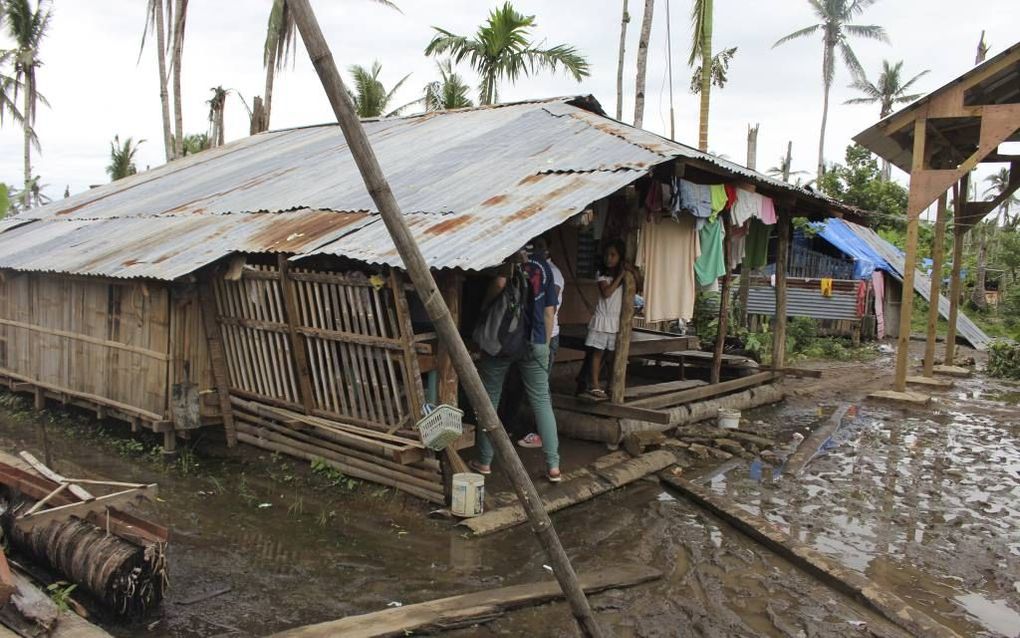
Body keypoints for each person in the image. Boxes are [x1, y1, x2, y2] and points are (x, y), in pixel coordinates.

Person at [471, 238, 562, 482]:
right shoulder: (544, 268)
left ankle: (484, 461)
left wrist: (485, 308)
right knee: (542, 401)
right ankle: (553, 465)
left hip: (503, 341)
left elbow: (499, 284)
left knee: (489, 398)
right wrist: (542, 343)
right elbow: (549, 311)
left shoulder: (508, 259)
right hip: (536, 340)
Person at [518, 243, 563, 450]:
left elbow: (548, 309)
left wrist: (544, 344)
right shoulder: (538, 268)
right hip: (536, 336)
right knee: (537, 391)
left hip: (545, 336)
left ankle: (541, 436)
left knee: (541, 391)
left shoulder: (551, 272)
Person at [584, 239, 630, 400]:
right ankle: (594, 385)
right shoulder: (601, 274)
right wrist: (620, 276)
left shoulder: (625, 276)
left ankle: (611, 384)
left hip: (615, 320)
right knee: (598, 353)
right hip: (603, 318)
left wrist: (629, 271)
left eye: (613, 255)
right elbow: (607, 293)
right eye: (607, 255)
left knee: (611, 355)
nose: (609, 258)